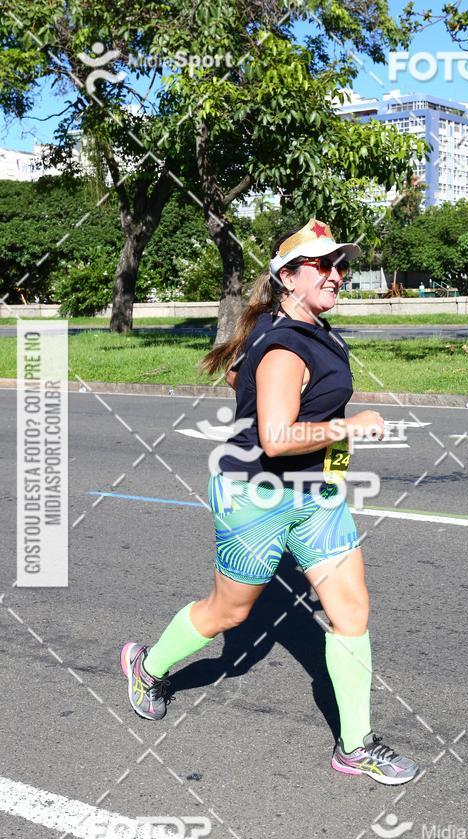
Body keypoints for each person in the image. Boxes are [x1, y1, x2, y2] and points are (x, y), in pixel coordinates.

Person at [120, 218, 420, 786]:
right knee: (229, 614)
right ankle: (148, 664)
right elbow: (276, 437)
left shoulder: (301, 330)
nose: (337, 275)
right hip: (255, 496)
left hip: (317, 494)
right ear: (288, 277)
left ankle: (354, 745)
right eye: (323, 266)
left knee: (351, 611)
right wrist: (347, 425)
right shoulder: (284, 344)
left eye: (341, 266)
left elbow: (241, 373)